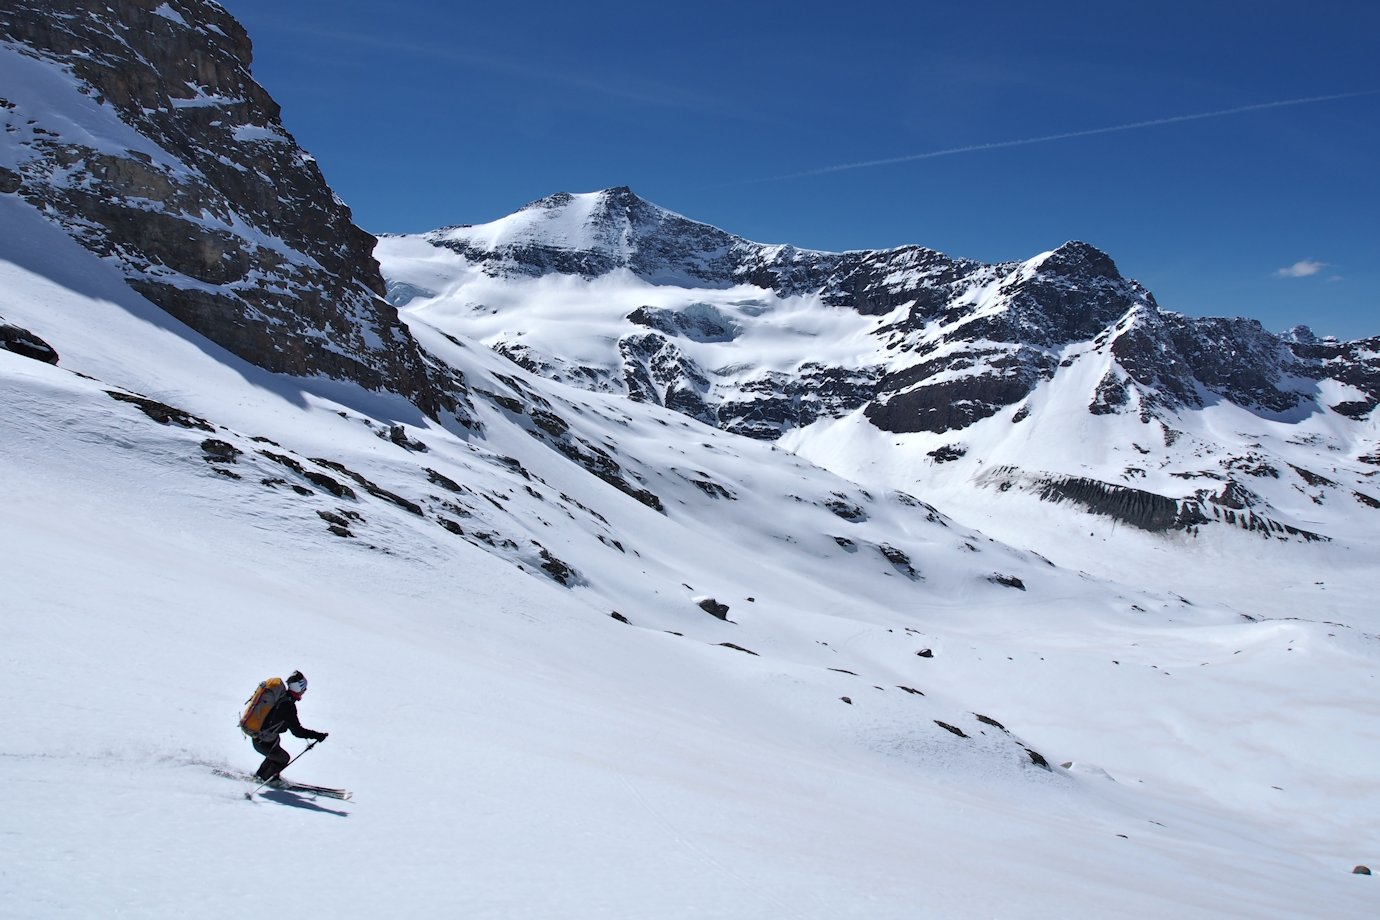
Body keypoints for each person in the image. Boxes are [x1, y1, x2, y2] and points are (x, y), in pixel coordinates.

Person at [252, 670, 328, 784]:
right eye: (303, 689)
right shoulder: (288, 706)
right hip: (264, 741)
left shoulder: (281, 698)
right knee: (283, 758)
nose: (304, 692)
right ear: (299, 689)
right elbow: (297, 731)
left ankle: (260, 775)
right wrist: (317, 735)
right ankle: (268, 780)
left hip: (259, 737)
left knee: (276, 754)